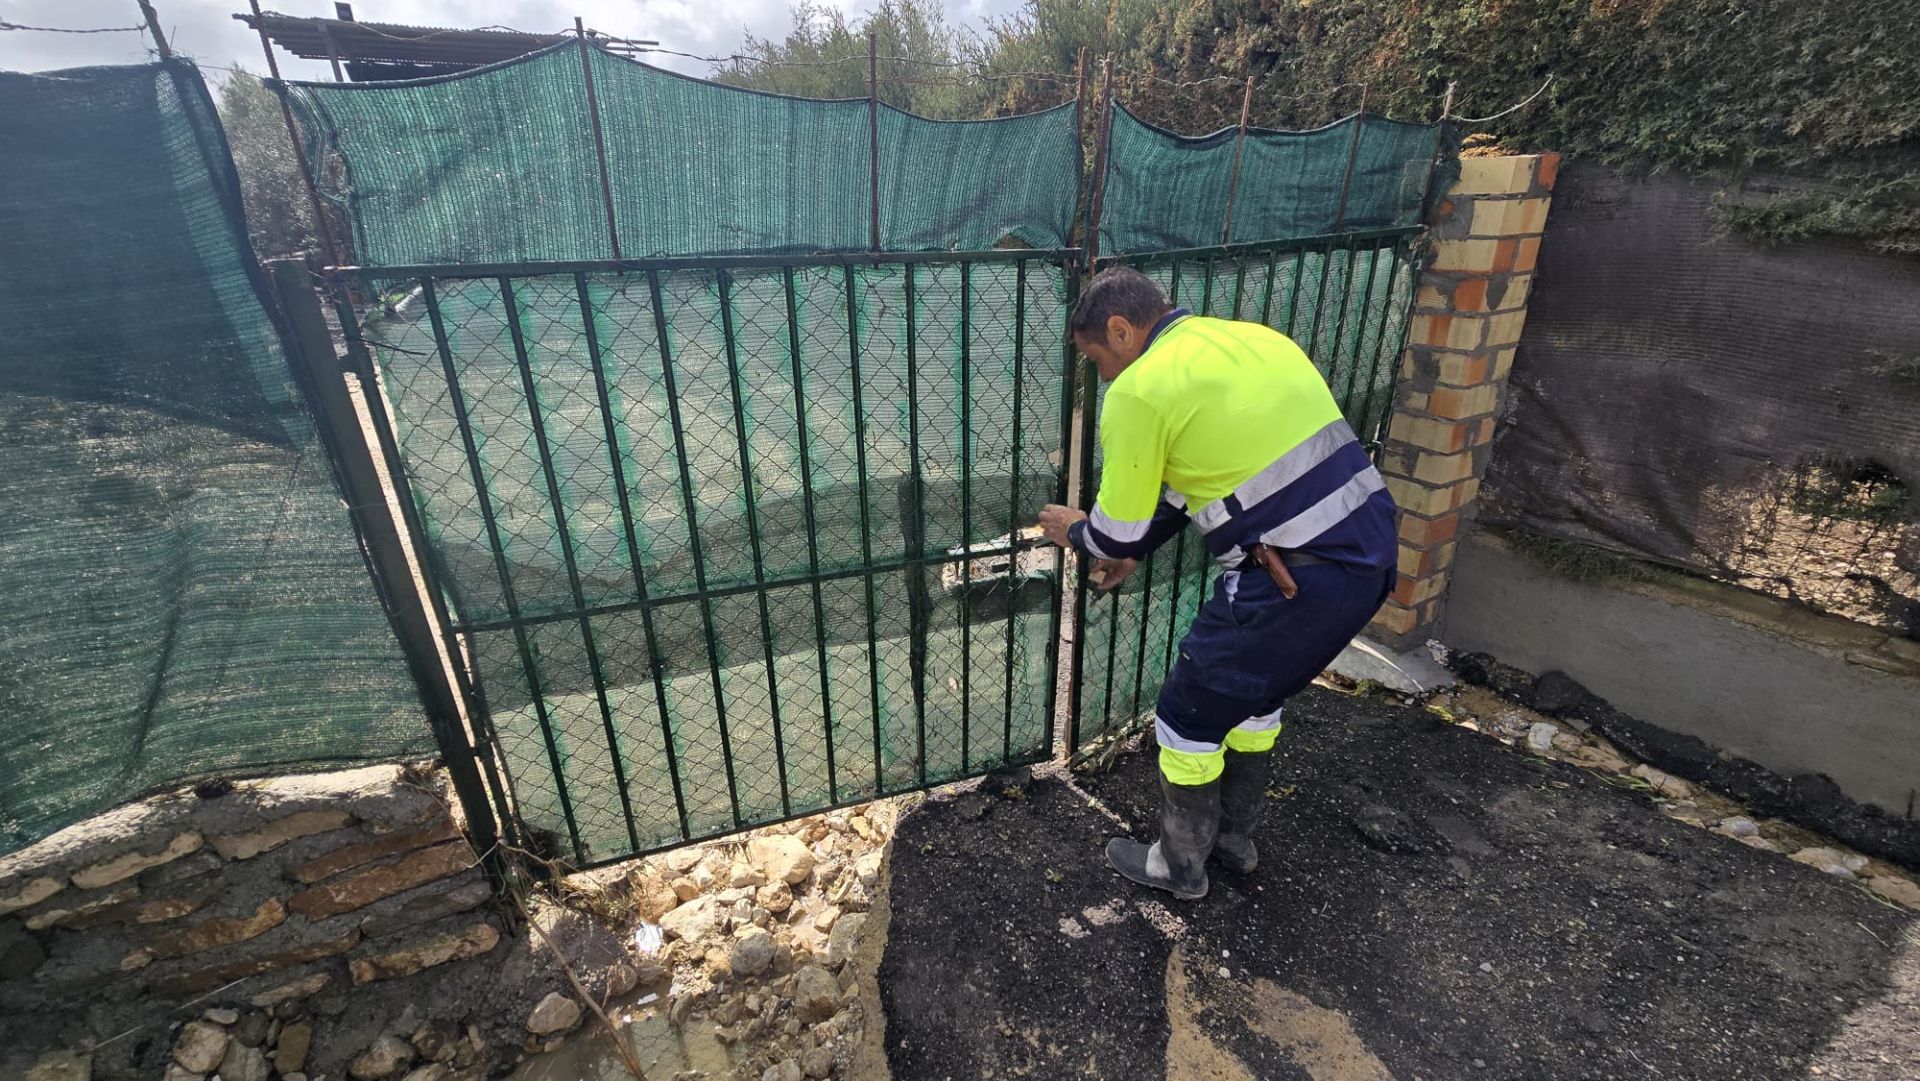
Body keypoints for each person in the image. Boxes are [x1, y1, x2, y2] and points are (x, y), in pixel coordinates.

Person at [1037, 266, 1398, 900]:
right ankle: (1234, 841)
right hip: (1368, 555)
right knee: (1255, 697)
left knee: (1187, 717)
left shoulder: (1141, 389)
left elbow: (1112, 531)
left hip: (1290, 582)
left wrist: (1077, 532)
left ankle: (1178, 867)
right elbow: (1198, 478)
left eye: (1096, 358)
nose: (1102, 377)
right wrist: (1138, 550)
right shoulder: (1256, 340)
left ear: (1121, 329)